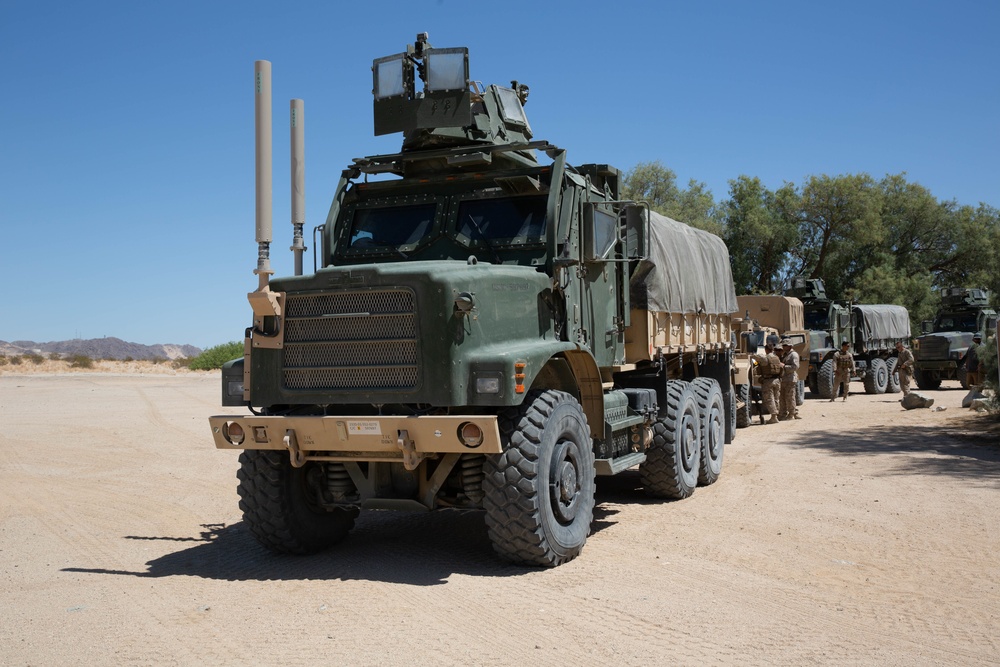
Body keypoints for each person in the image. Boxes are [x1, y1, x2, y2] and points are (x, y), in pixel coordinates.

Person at [752, 343, 783, 424]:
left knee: (769, 399)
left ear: (766, 349)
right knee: (776, 398)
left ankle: (773, 416)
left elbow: (754, 357)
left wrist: (752, 354)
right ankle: (776, 415)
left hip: (768, 380)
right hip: (777, 380)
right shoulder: (776, 357)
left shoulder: (765, 357)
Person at [778, 338, 801, 420]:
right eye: (783, 345)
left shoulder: (793, 355)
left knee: (790, 397)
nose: (783, 347)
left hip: (790, 379)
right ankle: (783, 414)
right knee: (782, 398)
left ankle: (791, 414)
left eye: (785, 345)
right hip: (784, 379)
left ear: (790, 346)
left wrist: (784, 366)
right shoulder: (786, 354)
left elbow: (795, 367)